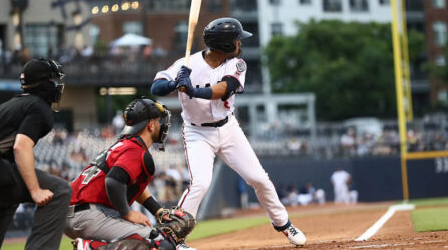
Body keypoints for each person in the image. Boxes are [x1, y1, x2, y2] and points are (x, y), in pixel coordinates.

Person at [151, 17, 306, 249]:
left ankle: (283, 224)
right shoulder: (186, 63)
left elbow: (223, 89)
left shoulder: (236, 64)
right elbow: (156, 87)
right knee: (200, 184)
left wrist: (191, 89)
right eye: (235, 40)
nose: (239, 44)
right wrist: (175, 84)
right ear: (224, 44)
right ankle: (174, 237)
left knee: (259, 179)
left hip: (228, 128)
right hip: (197, 133)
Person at [65, 97, 176, 250]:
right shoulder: (134, 150)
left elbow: (129, 184)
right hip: (90, 215)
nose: (160, 125)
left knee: (145, 239)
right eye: (157, 121)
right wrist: (127, 213)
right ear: (150, 125)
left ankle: (96, 246)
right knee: (160, 244)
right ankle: (93, 248)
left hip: (75, 214)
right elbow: (113, 181)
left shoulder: (123, 145)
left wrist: (157, 210)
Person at [0, 58, 72, 250]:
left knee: (7, 202)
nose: (57, 85)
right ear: (46, 83)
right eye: (54, 80)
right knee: (60, 191)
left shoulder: (7, 105)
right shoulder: (39, 108)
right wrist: (35, 190)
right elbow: (21, 146)